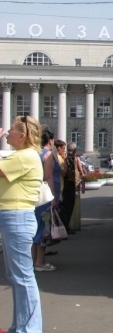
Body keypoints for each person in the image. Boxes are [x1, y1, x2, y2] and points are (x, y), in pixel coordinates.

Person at [0, 116, 44, 332]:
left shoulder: (24, 156)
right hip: (14, 217)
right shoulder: (22, 155)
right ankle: (21, 325)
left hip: (16, 217)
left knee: (22, 277)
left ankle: (29, 329)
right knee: (18, 276)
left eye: (11, 129)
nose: (7, 132)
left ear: (22, 136)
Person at [32, 130, 57, 272]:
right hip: (44, 197)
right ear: (51, 140)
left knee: (35, 227)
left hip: (34, 196)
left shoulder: (35, 154)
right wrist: (53, 197)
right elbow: (48, 177)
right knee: (43, 227)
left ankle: (34, 259)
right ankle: (40, 262)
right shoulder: (47, 155)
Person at [62, 142, 83, 234]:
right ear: (74, 150)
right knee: (68, 206)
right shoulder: (70, 158)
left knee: (67, 206)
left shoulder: (67, 158)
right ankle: (66, 227)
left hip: (67, 184)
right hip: (69, 184)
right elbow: (70, 171)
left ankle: (66, 226)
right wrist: (74, 180)